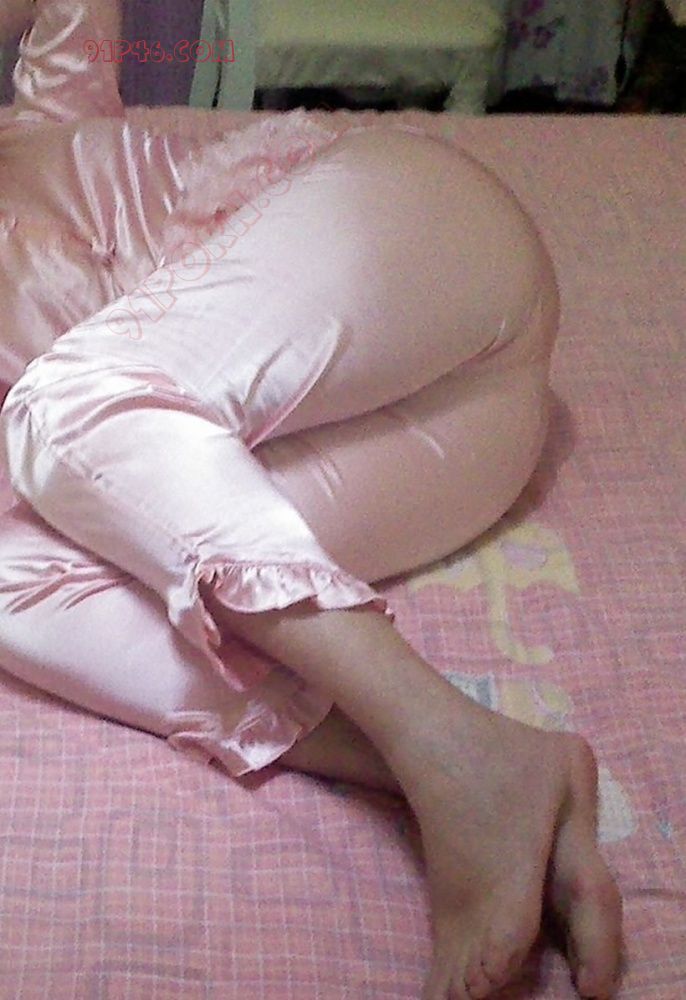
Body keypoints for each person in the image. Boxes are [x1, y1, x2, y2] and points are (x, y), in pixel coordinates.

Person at [0, 2, 623, 998]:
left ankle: (435, 737)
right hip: (453, 442)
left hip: (422, 248)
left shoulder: (42, 122)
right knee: (11, 568)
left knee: (59, 405)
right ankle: (462, 766)